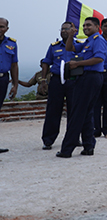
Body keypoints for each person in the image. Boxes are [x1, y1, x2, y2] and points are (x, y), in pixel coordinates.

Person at [57, 17, 107, 158]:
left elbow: (99, 59)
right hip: (85, 78)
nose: (85, 28)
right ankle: (88, 146)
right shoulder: (88, 41)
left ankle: (67, 150)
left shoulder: (98, 40)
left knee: (77, 113)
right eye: (84, 26)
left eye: (89, 25)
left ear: (97, 27)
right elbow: (69, 48)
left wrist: (78, 64)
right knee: (86, 113)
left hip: (91, 78)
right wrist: (71, 35)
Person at [41, 22, 74, 150]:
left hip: (73, 81)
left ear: (73, 31)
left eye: (67, 29)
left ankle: (73, 138)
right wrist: (43, 80)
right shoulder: (54, 46)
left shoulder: (79, 45)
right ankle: (48, 140)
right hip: (56, 81)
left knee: (74, 110)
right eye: (62, 29)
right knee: (53, 110)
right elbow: (46, 62)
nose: (64, 31)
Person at [0, 17, 19, 153]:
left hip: (3, 79)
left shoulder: (11, 44)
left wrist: (15, 85)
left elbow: (14, 65)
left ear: (6, 29)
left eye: (1, 26)